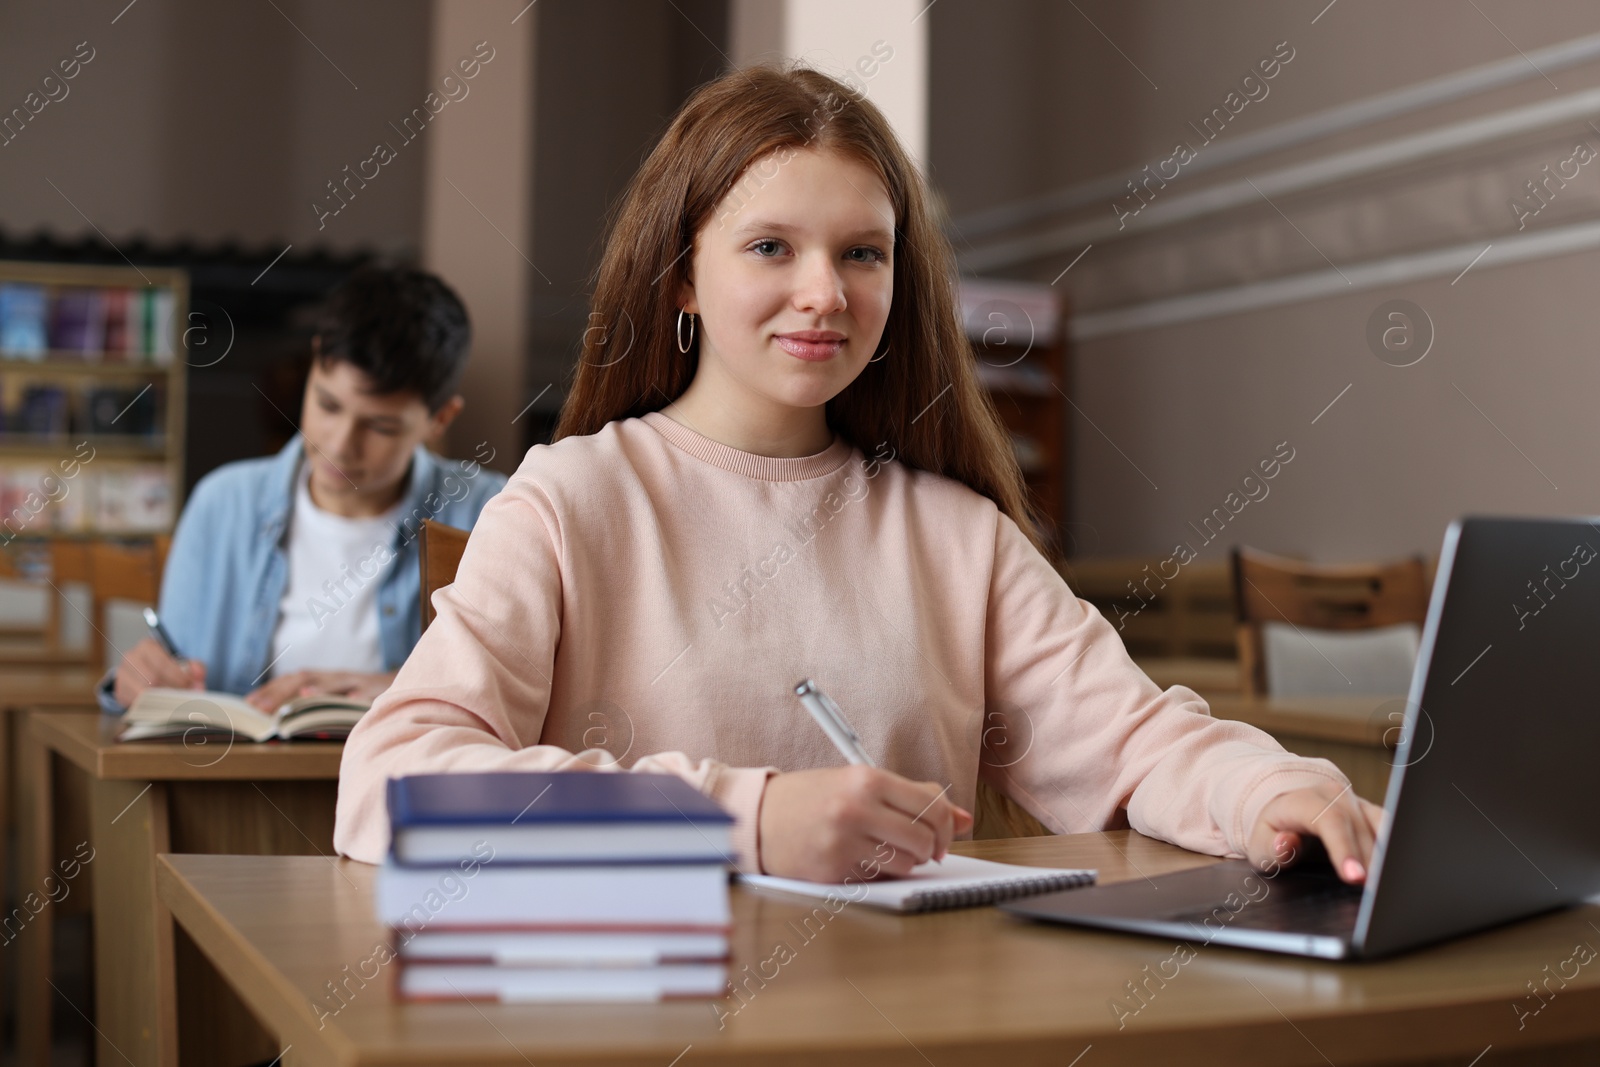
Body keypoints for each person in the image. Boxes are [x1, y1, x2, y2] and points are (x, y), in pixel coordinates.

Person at [333, 66, 1382, 886]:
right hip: (648, 1012)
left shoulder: (953, 530)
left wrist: (1269, 791)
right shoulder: (570, 498)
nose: (822, 292)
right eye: (771, 247)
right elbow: (389, 782)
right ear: (682, 277)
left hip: (911, 1007)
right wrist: (740, 821)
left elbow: (1132, 741)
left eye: (862, 254)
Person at [99, 265, 507, 715]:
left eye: (381, 426)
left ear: (441, 418)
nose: (339, 445)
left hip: (401, 780)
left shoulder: (493, 514)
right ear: (314, 362)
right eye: (328, 404)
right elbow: (167, 679)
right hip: (233, 780)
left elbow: (526, 690)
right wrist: (142, 680)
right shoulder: (222, 505)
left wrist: (407, 689)